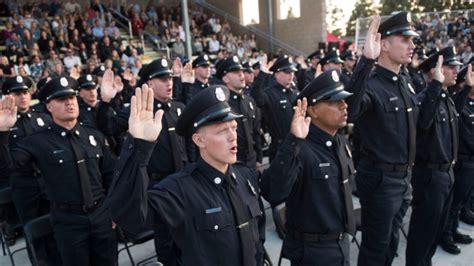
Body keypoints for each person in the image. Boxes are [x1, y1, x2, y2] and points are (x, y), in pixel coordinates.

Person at [345, 13, 435, 266]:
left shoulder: (404, 81)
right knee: (376, 248)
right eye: (404, 39)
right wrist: (366, 61)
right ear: (383, 44)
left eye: (412, 40)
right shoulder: (371, 83)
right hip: (380, 181)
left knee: (392, 243)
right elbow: (350, 111)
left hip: (404, 177)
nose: (412, 45)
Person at [0, 76, 118, 266]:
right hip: (68, 221)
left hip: (101, 216)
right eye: (62, 100)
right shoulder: (38, 141)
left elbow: (111, 175)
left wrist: (114, 208)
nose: (69, 103)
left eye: (72, 98)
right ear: (49, 107)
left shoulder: (92, 135)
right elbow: (8, 168)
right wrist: (3, 132)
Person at [98, 58, 192, 265]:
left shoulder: (178, 107)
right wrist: (106, 102)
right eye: (162, 79)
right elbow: (109, 129)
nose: (169, 83)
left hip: (184, 180)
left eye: (169, 78)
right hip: (159, 185)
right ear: (149, 84)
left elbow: (189, 145)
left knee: (189, 236)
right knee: (166, 240)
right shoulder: (138, 111)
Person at [261, 67, 359, 265]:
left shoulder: (339, 142)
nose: (344, 105)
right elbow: (273, 192)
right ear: (312, 110)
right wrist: (292, 142)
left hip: (341, 244)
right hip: (313, 252)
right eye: (334, 101)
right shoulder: (300, 148)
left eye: (343, 100)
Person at [406, 46, 464, 264]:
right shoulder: (424, 99)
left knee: (436, 229)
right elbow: (423, 124)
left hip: (446, 173)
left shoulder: (446, 98)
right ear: (434, 71)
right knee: (423, 231)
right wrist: (436, 86)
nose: (455, 71)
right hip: (429, 176)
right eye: (449, 67)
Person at [439, 63, 474, 255]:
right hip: (462, 160)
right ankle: (446, 235)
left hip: (470, 161)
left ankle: (452, 230)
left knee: (460, 201)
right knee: (453, 203)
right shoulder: (458, 103)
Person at [251, 54, 298, 161]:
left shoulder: (295, 93)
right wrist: (262, 74)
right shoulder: (270, 93)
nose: (291, 75)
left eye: (292, 72)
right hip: (280, 147)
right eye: (287, 72)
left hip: (299, 144)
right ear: (276, 74)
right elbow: (256, 98)